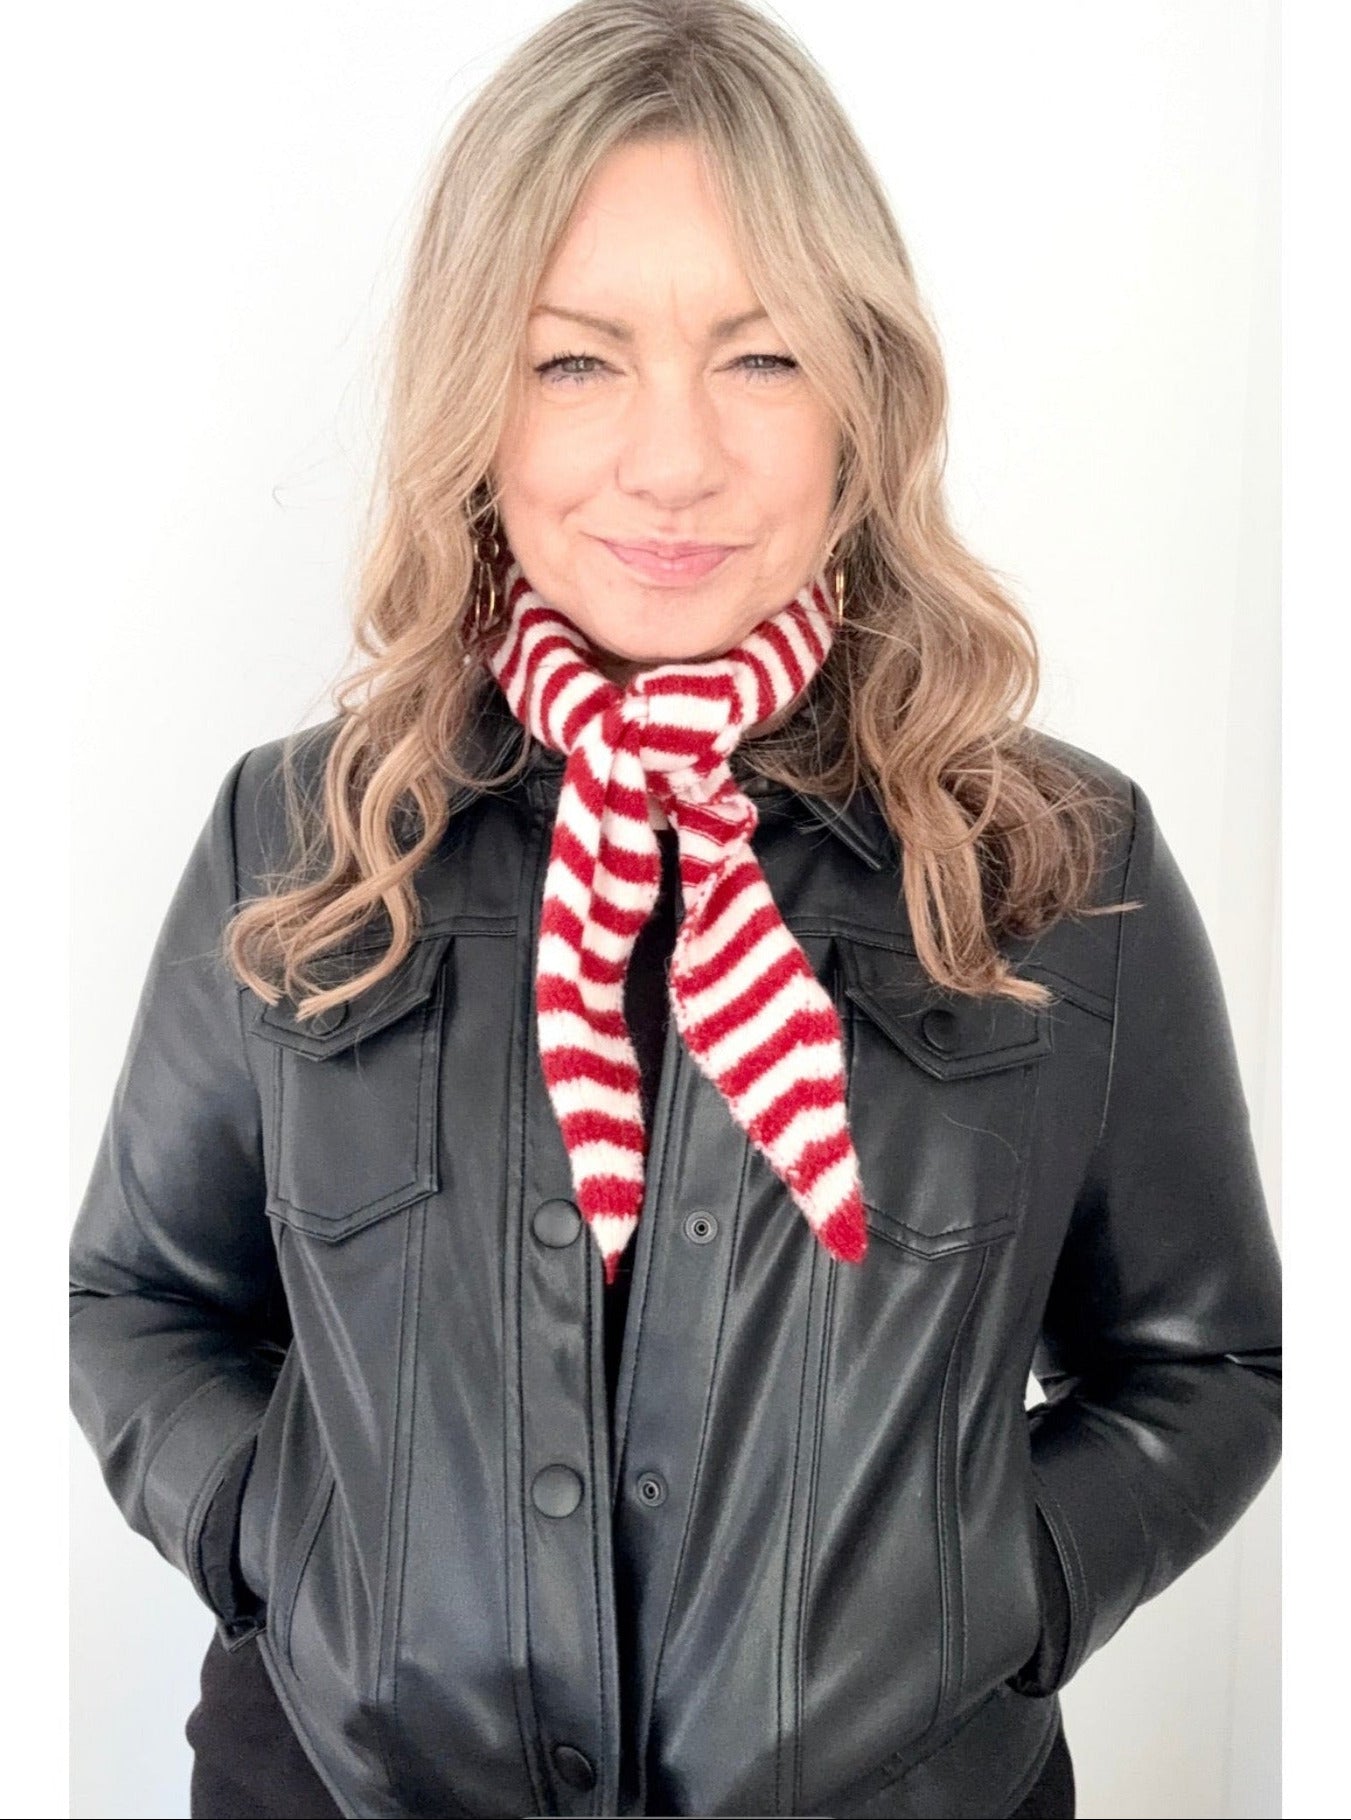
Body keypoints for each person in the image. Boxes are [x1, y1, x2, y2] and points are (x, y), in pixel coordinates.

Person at [68, 2, 1282, 1816]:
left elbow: (1207, 1361)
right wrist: (279, 1542)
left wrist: (993, 1600)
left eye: (760, 357)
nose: (672, 461)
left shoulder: (1058, 859)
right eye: (576, 362)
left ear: (864, 392)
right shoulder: (304, 835)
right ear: (476, 397)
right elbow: (141, 1297)